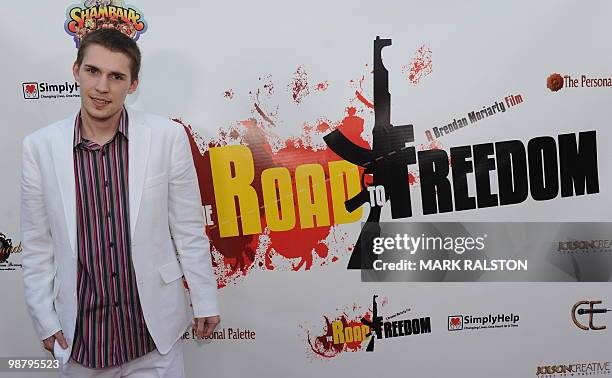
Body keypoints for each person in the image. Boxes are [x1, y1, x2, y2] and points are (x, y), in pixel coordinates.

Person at [20, 28, 220, 377]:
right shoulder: (39, 147)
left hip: (154, 337)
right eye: (93, 71)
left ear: (133, 84)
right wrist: (44, 319)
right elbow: (37, 244)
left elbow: (188, 228)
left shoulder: (167, 138)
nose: (101, 87)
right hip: (81, 341)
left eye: (116, 76)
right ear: (76, 71)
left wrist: (205, 299)